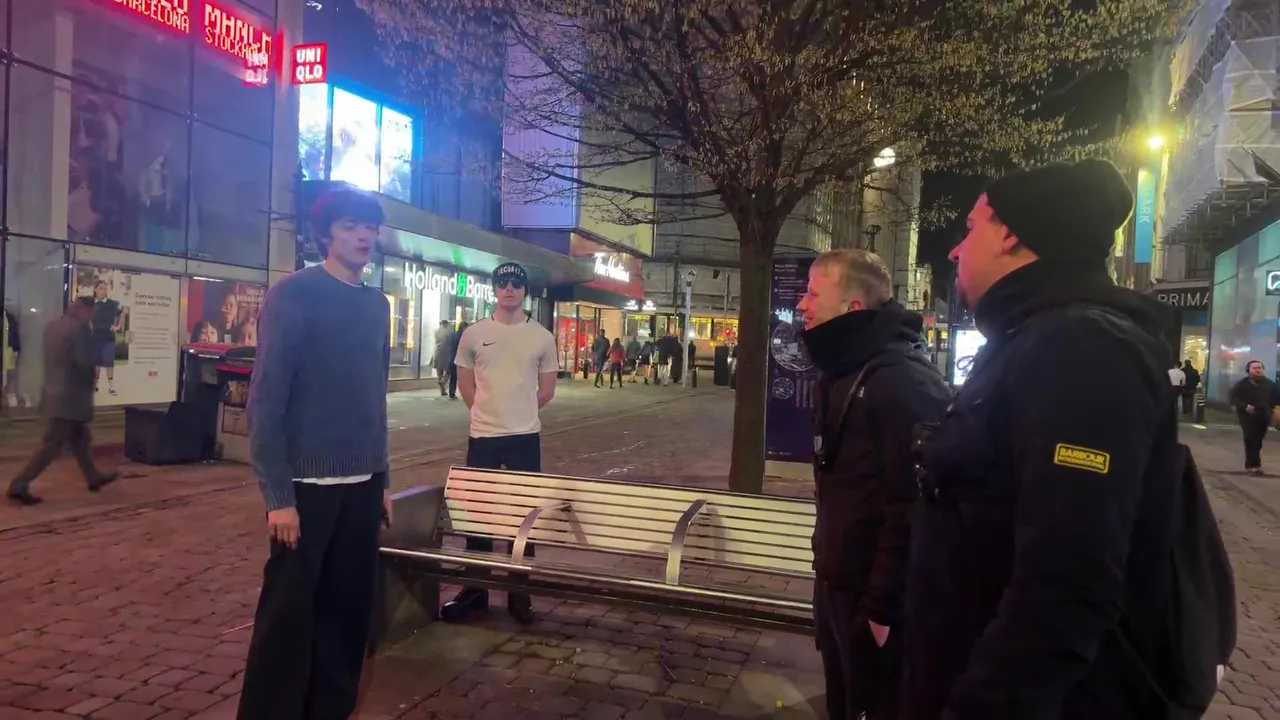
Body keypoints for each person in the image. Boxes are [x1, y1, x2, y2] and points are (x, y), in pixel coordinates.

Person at [905, 159, 1187, 719]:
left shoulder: (1081, 346)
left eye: (971, 229)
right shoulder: (1035, 337)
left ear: (1011, 236)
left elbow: (1066, 582)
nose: (956, 251)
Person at [236, 187, 394, 720]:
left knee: (348, 615)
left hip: (362, 486)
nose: (363, 236)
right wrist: (278, 496)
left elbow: (374, 399)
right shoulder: (294, 294)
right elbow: (266, 399)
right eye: (350, 225)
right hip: (306, 489)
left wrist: (383, 478)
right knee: (286, 618)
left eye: (370, 226)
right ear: (326, 233)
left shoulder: (377, 305)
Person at [796, 250, 950, 720]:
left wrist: (882, 610)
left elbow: (915, 506)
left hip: (876, 604)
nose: (802, 304)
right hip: (839, 586)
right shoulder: (843, 369)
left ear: (853, 307)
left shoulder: (901, 381)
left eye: (813, 294)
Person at [442, 262, 559, 626]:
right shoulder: (474, 334)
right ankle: (475, 591)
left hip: (524, 438)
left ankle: (518, 593)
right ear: (494, 289)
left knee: (524, 522)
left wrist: (518, 411)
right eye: (503, 282)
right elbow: (465, 384)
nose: (509, 288)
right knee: (477, 518)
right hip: (483, 438)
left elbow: (547, 390)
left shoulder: (542, 337)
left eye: (516, 283)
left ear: (525, 291)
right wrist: (486, 412)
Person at [6, 297, 118, 506]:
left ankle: (93, 476)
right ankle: (19, 484)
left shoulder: (52, 326)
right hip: (71, 399)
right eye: (91, 312)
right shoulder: (80, 330)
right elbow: (84, 363)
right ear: (84, 310)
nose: (92, 316)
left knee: (81, 439)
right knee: (52, 446)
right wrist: (91, 382)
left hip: (53, 393)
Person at [1229, 360, 1278, 475]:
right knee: (1251, 438)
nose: (1257, 370)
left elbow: (1275, 398)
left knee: (1258, 440)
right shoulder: (1242, 384)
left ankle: (1251, 464)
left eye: (1259, 368)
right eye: (1254, 368)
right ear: (1249, 370)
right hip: (1247, 415)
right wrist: (1245, 406)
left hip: (1264, 415)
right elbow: (1233, 398)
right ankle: (1254, 465)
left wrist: (1273, 408)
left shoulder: (1269, 384)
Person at [90, 281, 123, 396]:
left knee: (109, 362)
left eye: (105, 289)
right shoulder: (91, 304)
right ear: (95, 289)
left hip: (108, 337)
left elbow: (121, 313)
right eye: (101, 288)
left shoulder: (112, 304)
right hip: (95, 337)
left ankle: (111, 387)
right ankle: (95, 385)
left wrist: (118, 326)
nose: (103, 291)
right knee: (96, 363)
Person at [448, 321, 469, 400]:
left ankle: (452, 393)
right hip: (460, 359)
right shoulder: (463, 336)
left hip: (452, 358)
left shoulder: (454, 334)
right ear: (463, 327)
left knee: (453, 377)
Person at [432, 319, 453, 396]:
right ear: (446, 324)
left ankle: (442, 389)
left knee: (439, 371)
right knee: (448, 371)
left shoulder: (436, 332)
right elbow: (450, 342)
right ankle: (443, 382)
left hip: (437, 352)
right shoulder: (448, 332)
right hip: (446, 353)